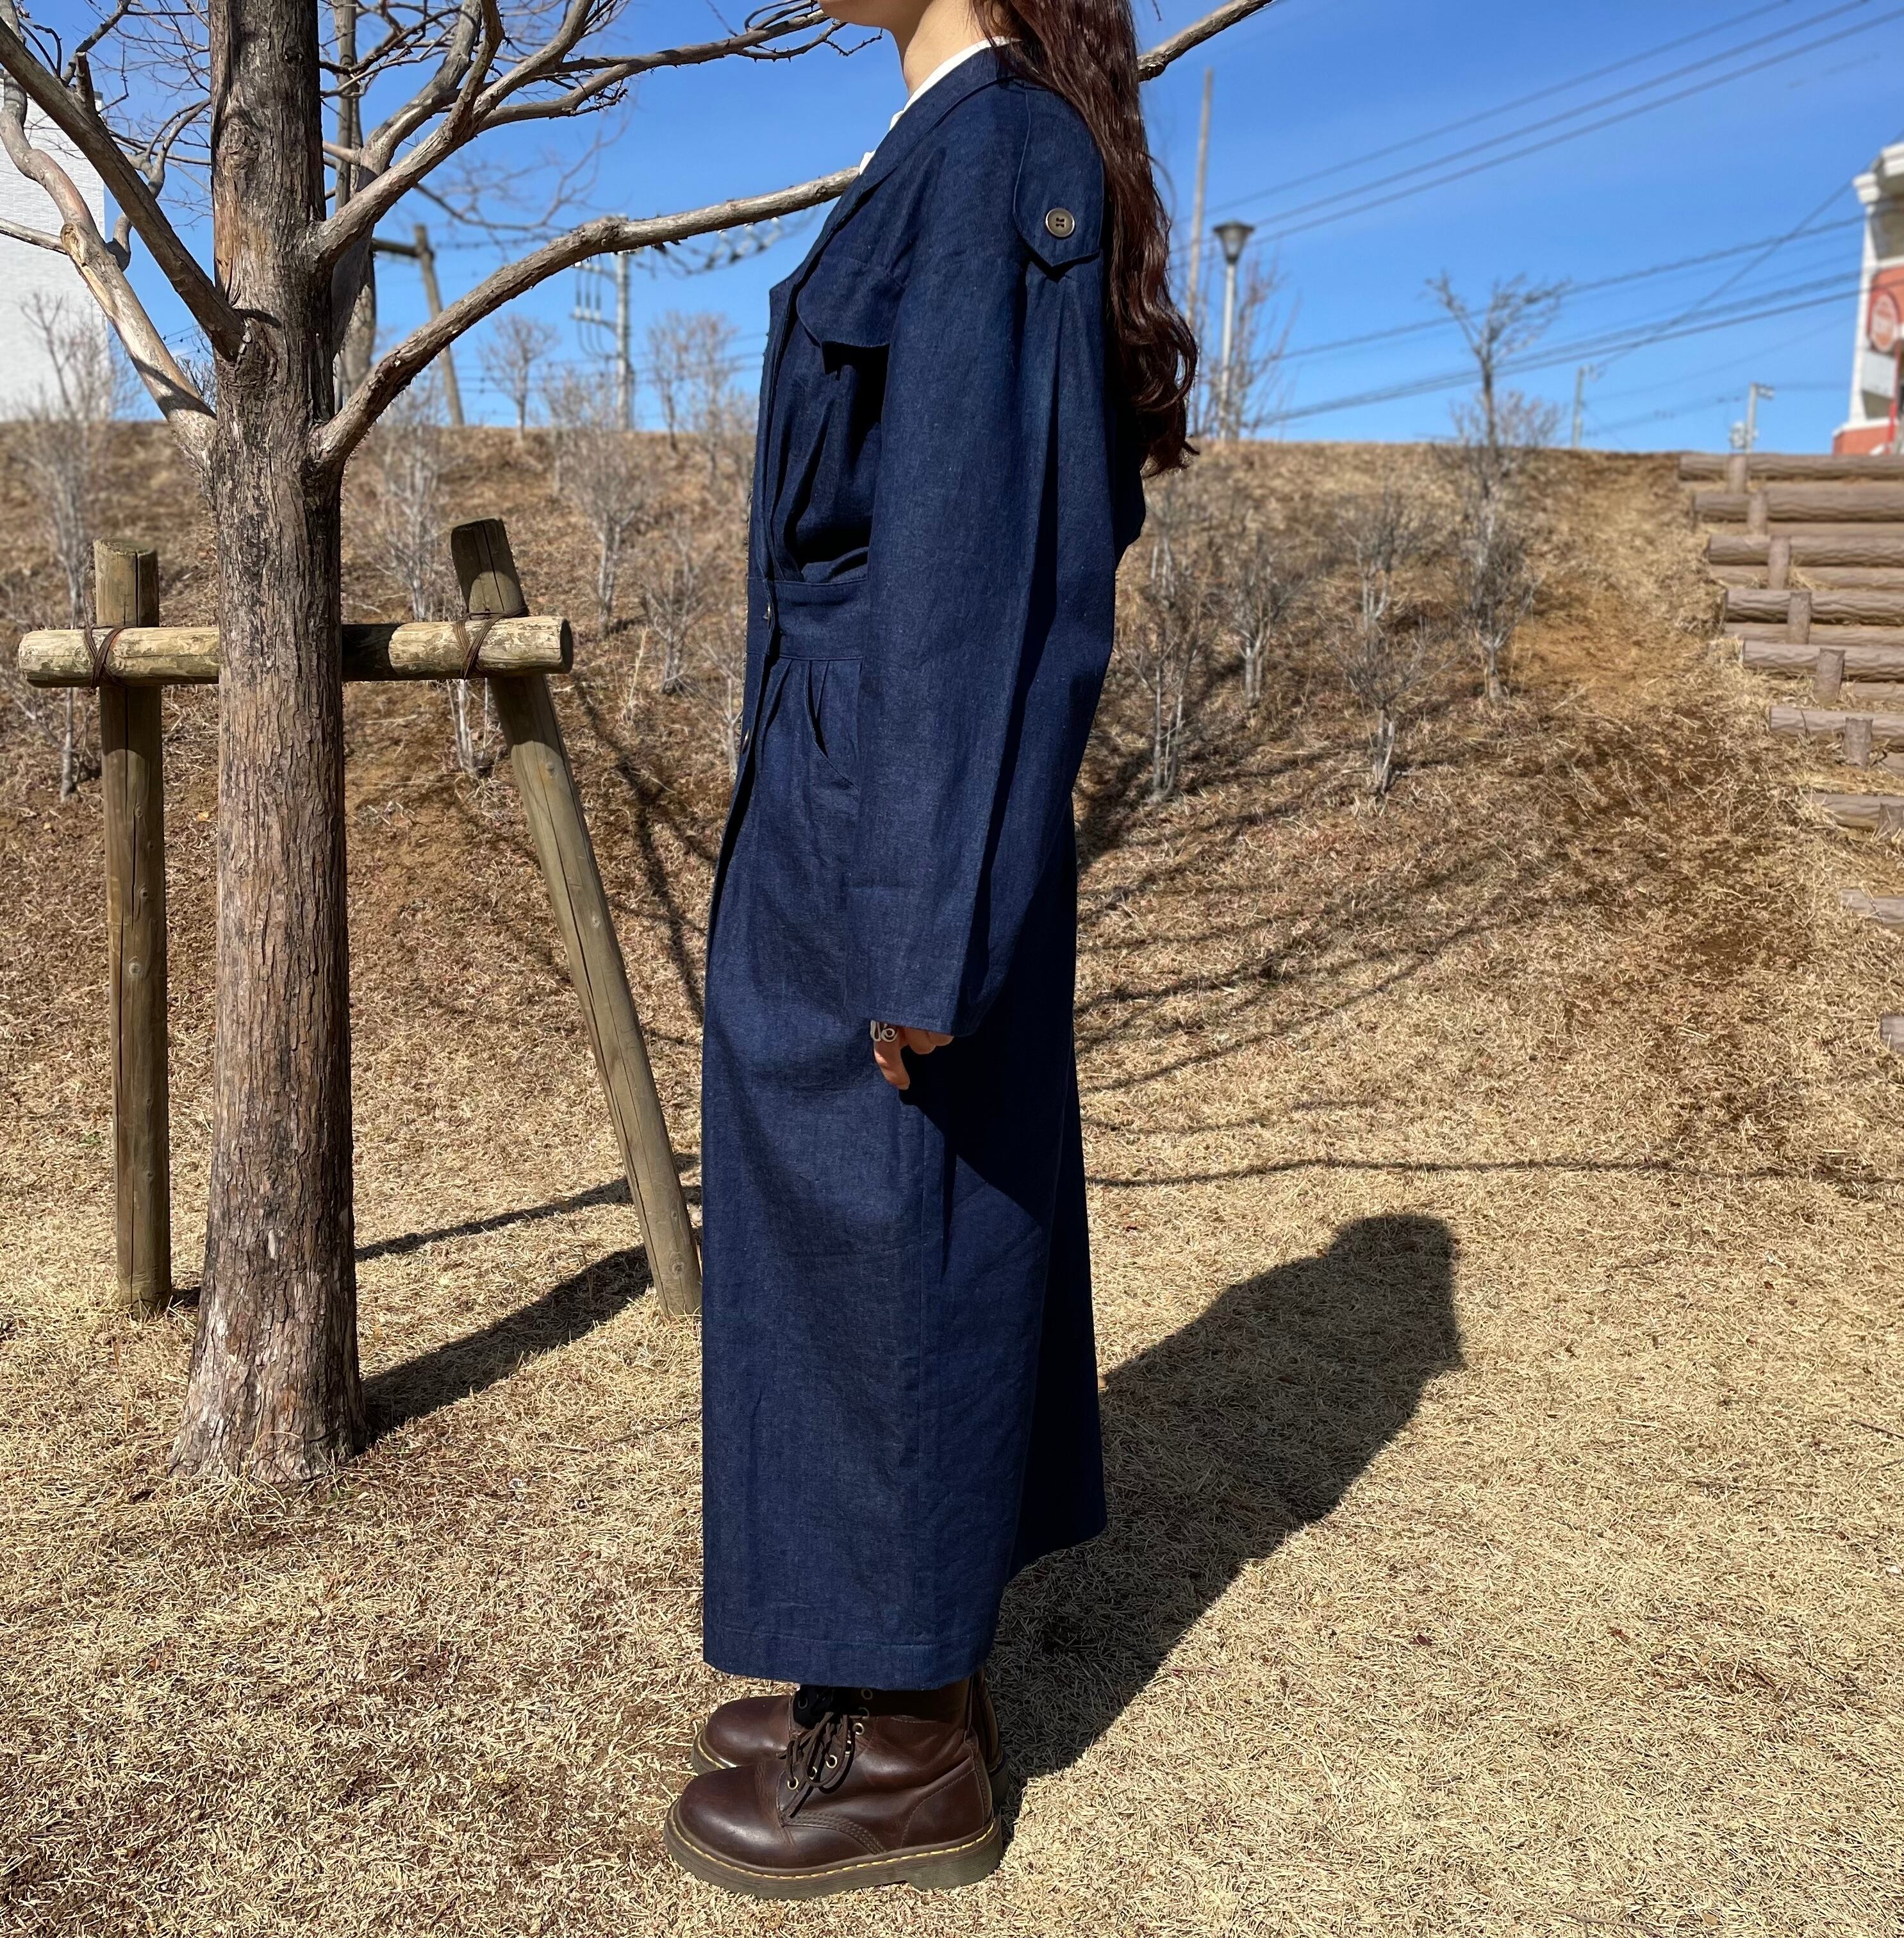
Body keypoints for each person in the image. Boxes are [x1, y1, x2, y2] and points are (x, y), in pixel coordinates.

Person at [665, 0, 1196, 1899]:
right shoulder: (952, 145)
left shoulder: (999, 156)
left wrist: (929, 920)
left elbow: (997, 566)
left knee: (895, 1236)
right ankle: (865, 1661)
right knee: (843, 1246)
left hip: (891, 799)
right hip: (843, 775)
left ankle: (913, 1745)